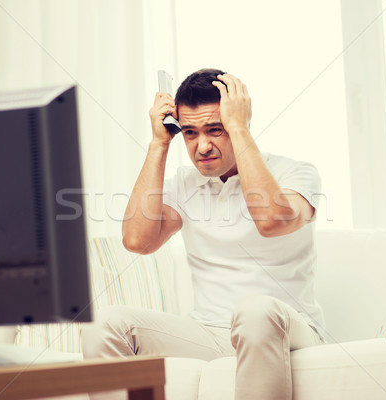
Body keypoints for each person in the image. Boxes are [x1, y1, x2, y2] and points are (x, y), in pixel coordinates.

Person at [83, 68, 326, 400]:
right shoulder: (186, 184)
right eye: (190, 133)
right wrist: (159, 143)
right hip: (209, 333)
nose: (202, 146)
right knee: (106, 322)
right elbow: (137, 241)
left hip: (286, 329)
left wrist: (238, 127)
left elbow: (271, 221)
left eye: (216, 130)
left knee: (254, 310)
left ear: (239, 121)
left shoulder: (296, 172)